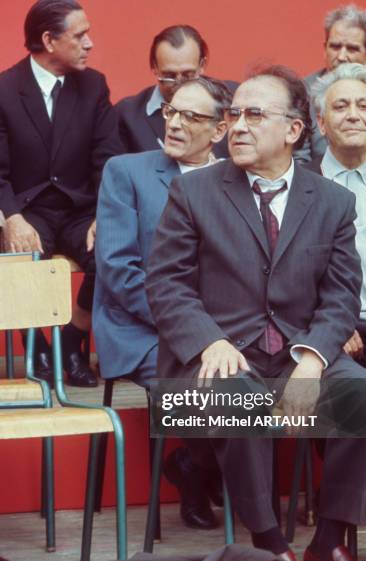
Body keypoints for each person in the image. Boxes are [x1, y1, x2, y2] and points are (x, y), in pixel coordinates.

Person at [146, 65, 366, 561]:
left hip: (295, 357)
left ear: (293, 131)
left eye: (254, 115)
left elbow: (340, 295)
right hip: (204, 369)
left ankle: (327, 546)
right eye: (234, 114)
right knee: (240, 396)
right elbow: (166, 285)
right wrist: (208, 339)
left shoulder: (330, 201)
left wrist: (312, 359)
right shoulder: (194, 193)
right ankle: (270, 549)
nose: (236, 126)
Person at [94, 76, 231, 529]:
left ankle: (196, 466)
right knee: (213, 389)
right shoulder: (126, 171)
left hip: (219, 330)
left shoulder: (236, 179)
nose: (174, 124)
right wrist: (191, 330)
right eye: (172, 111)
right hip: (143, 329)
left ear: (218, 131)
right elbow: (118, 270)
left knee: (268, 380)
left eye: (191, 117)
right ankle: (202, 467)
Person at [0, 0, 122, 386]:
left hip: (81, 210)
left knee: (115, 249)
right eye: (80, 35)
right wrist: (11, 218)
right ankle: (35, 347)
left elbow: (109, 160)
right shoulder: (3, 90)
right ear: (49, 40)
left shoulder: (94, 85)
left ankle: (72, 340)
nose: (90, 43)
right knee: (20, 257)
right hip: (26, 208)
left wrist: (105, 216)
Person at [307, 63, 366, 373]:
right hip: (322, 332)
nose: (352, 115)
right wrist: (329, 325)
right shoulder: (297, 185)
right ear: (321, 123)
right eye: (340, 106)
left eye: (363, 106)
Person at [295, 4, 366, 164]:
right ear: (324, 49)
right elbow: (298, 160)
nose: (342, 56)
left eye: (352, 49)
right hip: (313, 184)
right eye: (335, 47)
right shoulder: (300, 95)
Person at [115, 24, 236, 157]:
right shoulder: (128, 114)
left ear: (202, 65)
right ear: (154, 67)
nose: (180, 84)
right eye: (169, 76)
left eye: (188, 75)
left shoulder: (233, 100)